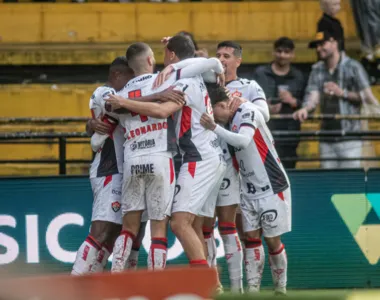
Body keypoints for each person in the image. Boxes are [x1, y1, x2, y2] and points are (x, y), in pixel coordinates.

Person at [106, 36, 226, 269]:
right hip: (161, 157)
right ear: (150, 60)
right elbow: (205, 63)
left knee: (129, 228)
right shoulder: (165, 81)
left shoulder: (121, 92)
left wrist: (124, 101)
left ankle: (116, 275)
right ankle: (157, 280)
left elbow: (111, 108)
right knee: (160, 229)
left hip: (133, 157)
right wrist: (164, 82)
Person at [200, 85, 291, 296]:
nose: (216, 117)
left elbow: (243, 140)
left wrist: (214, 127)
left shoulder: (246, 111)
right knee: (250, 237)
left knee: (272, 239)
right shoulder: (227, 118)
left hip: (271, 184)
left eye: (216, 112)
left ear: (223, 105)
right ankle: (252, 291)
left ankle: (281, 290)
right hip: (248, 188)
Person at [71, 57, 134, 275]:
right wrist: (157, 98)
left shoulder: (120, 94)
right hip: (108, 168)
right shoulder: (103, 92)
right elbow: (122, 109)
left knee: (113, 232)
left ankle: (92, 283)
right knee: (101, 230)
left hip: (120, 169)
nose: (134, 82)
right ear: (117, 75)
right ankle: (74, 284)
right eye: (131, 76)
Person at [294, 30, 379, 169]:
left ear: (335, 43)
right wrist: (305, 108)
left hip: (351, 137)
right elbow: (312, 96)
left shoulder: (353, 67)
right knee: (330, 184)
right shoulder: (317, 70)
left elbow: (367, 97)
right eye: (317, 45)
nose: (319, 49)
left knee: (350, 184)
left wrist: (342, 93)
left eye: (322, 44)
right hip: (326, 137)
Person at [254, 37, 306, 169]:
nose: (282, 55)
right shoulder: (260, 74)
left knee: (289, 172)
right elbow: (249, 101)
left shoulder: (299, 76)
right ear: (273, 52)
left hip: (290, 135)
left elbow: (306, 103)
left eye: (286, 52)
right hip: (265, 132)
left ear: (293, 54)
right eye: (279, 51)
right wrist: (267, 108)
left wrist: (293, 101)